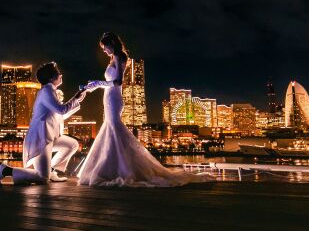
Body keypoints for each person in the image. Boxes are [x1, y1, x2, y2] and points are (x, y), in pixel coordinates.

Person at [77, 32, 210, 187]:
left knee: (114, 129)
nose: (104, 51)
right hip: (108, 97)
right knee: (110, 129)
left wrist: (97, 83)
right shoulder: (113, 58)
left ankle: (120, 169)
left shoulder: (120, 57)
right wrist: (95, 85)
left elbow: (118, 82)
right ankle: (114, 168)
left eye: (104, 47)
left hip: (114, 97)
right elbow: (111, 81)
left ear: (111, 44)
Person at [0, 61, 86, 185]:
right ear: (52, 78)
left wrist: (76, 101)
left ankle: (51, 170)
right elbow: (61, 110)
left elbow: (59, 115)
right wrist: (75, 98)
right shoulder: (46, 91)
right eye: (59, 73)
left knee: (72, 144)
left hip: (49, 136)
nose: (61, 75)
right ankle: (5, 170)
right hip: (40, 139)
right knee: (42, 178)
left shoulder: (50, 91)